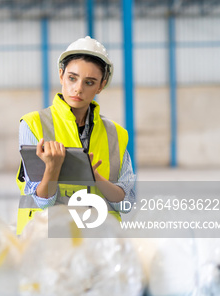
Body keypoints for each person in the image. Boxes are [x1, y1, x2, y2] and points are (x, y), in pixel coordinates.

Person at [15, 36, 136, 235]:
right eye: (72, 78)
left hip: (99, 244)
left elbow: (126, 203)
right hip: (48, 242)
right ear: (61, 75)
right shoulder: (33, 124)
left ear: (101, 86)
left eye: (89, 82)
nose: (78, 88)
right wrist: (52, 170)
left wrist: (96, 179)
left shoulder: (116, 134)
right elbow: (41, 201)